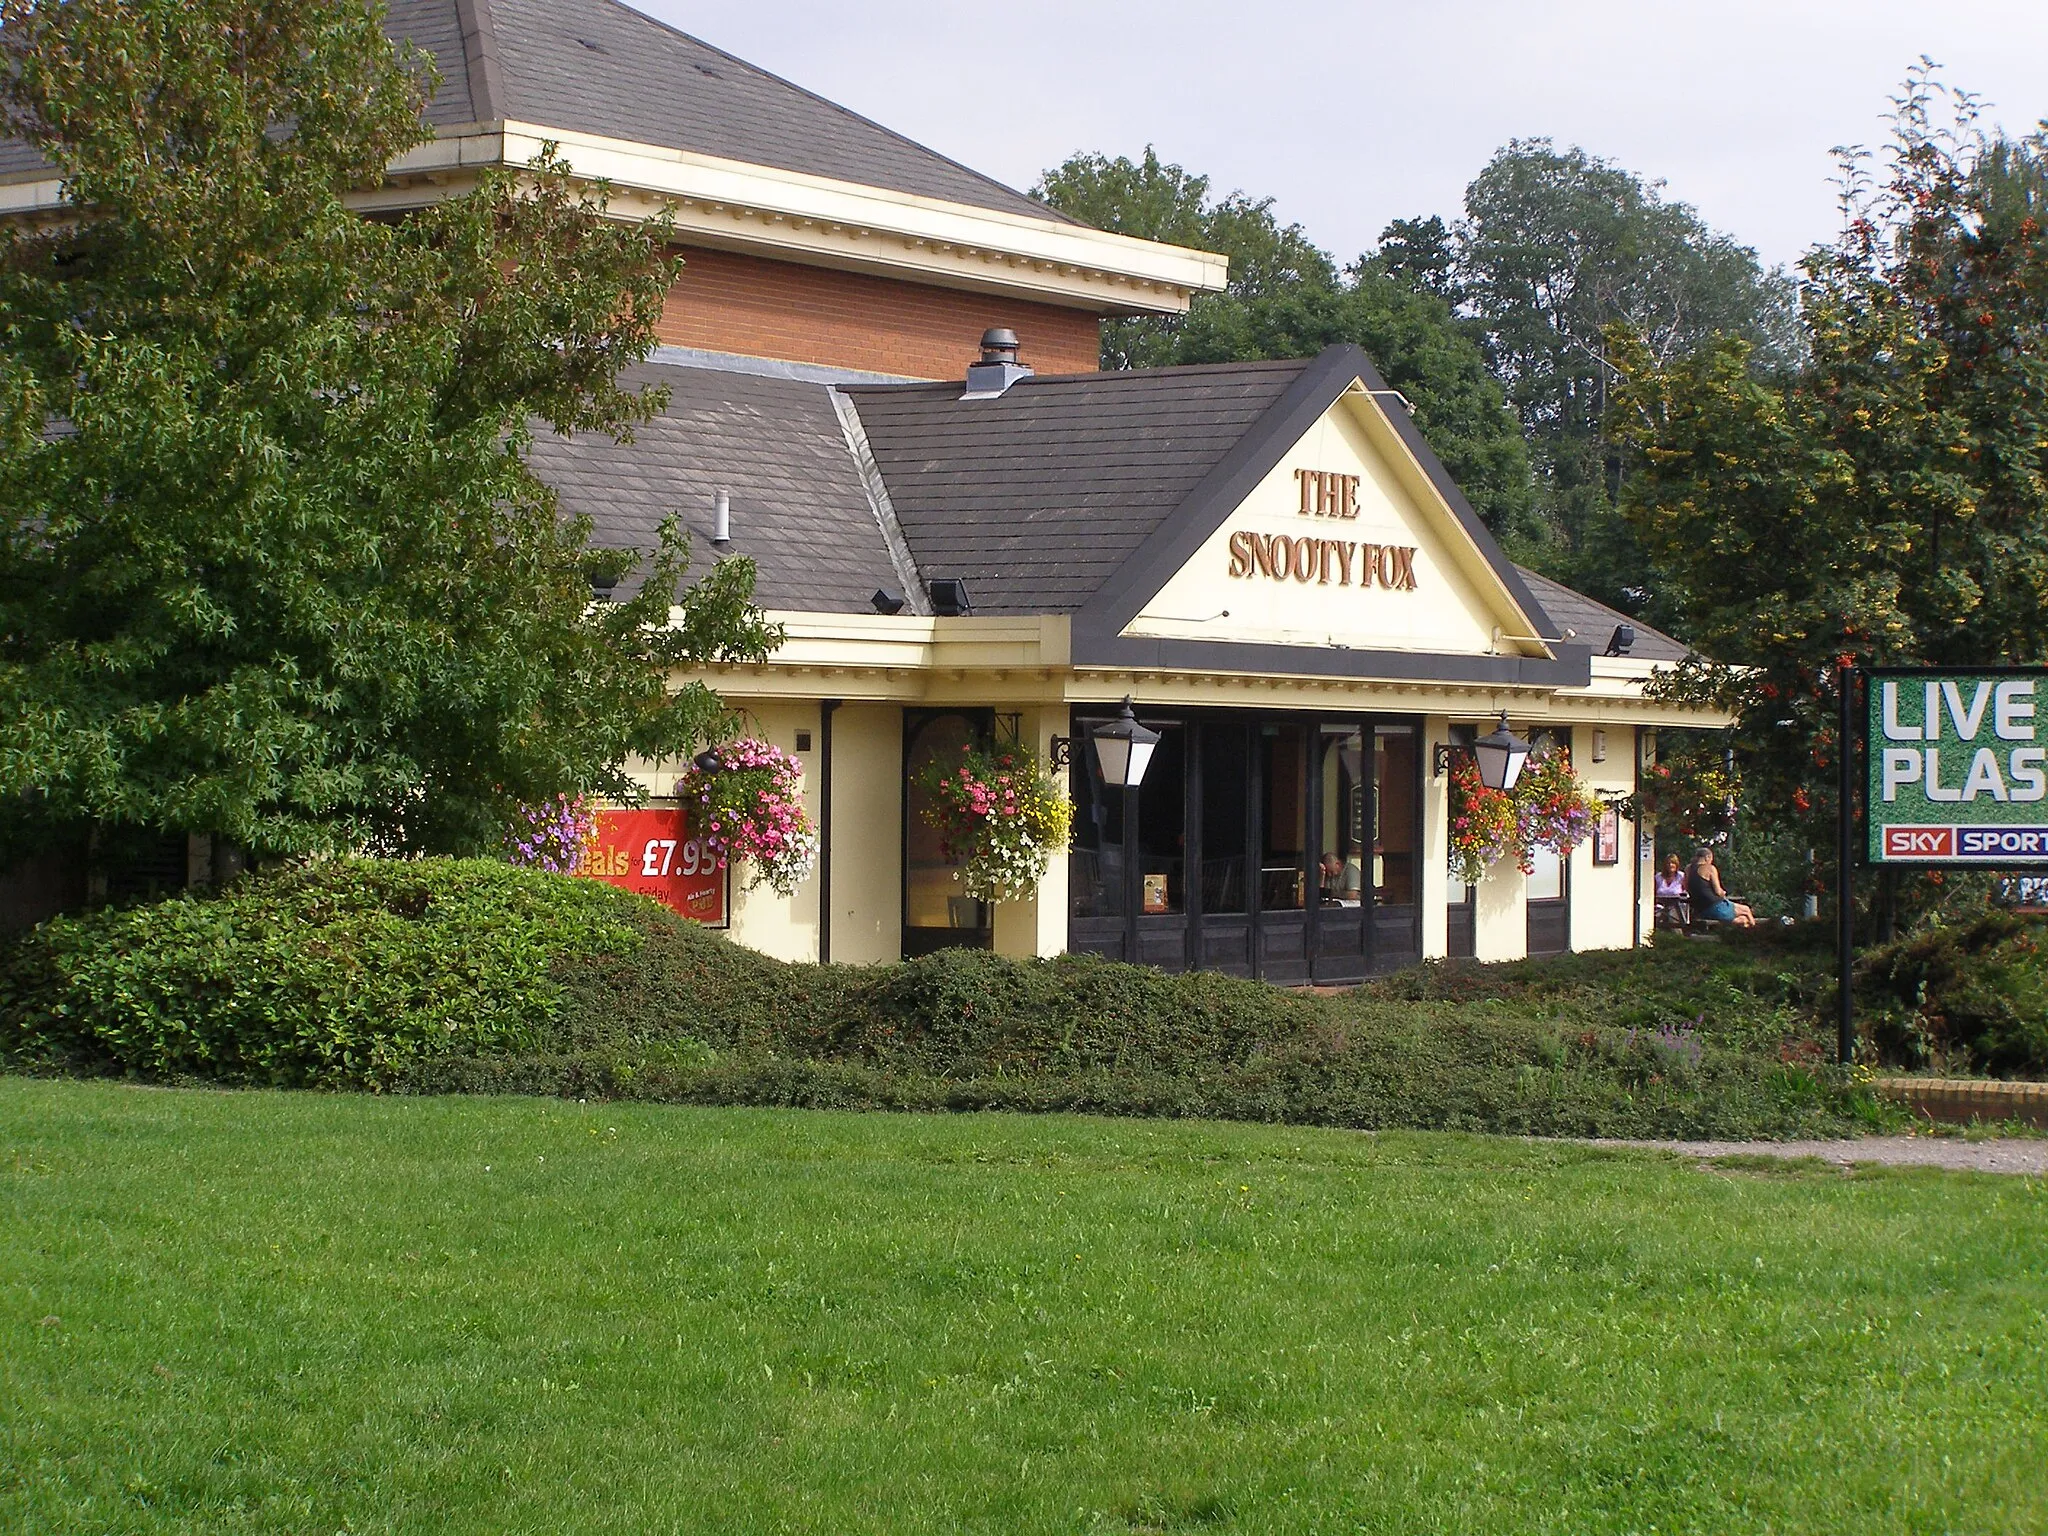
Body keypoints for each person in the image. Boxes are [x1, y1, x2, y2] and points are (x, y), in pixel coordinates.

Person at [1686, 846, 1755, 927]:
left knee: (1743, 920)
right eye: (1711, 859)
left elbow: (1686, 887)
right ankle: (1755, 929)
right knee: (1746, 910)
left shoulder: (1688, 869)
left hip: (1700, 910)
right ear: (1707, 857)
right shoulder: (1710, 868)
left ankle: (1743, 926)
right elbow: (1718, 891)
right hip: (1715, 907)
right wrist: (1724, 892)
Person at [1653, 853, 1691, 928]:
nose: (1670, 865)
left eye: (1673, 863)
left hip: (1678, 906)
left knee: (1673, 916)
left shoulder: (1681, 876)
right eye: (1668, 863)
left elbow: (1687, 891)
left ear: (1676, 864)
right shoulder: (1658, 877)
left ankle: (1678, 935)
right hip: (1660, 906)